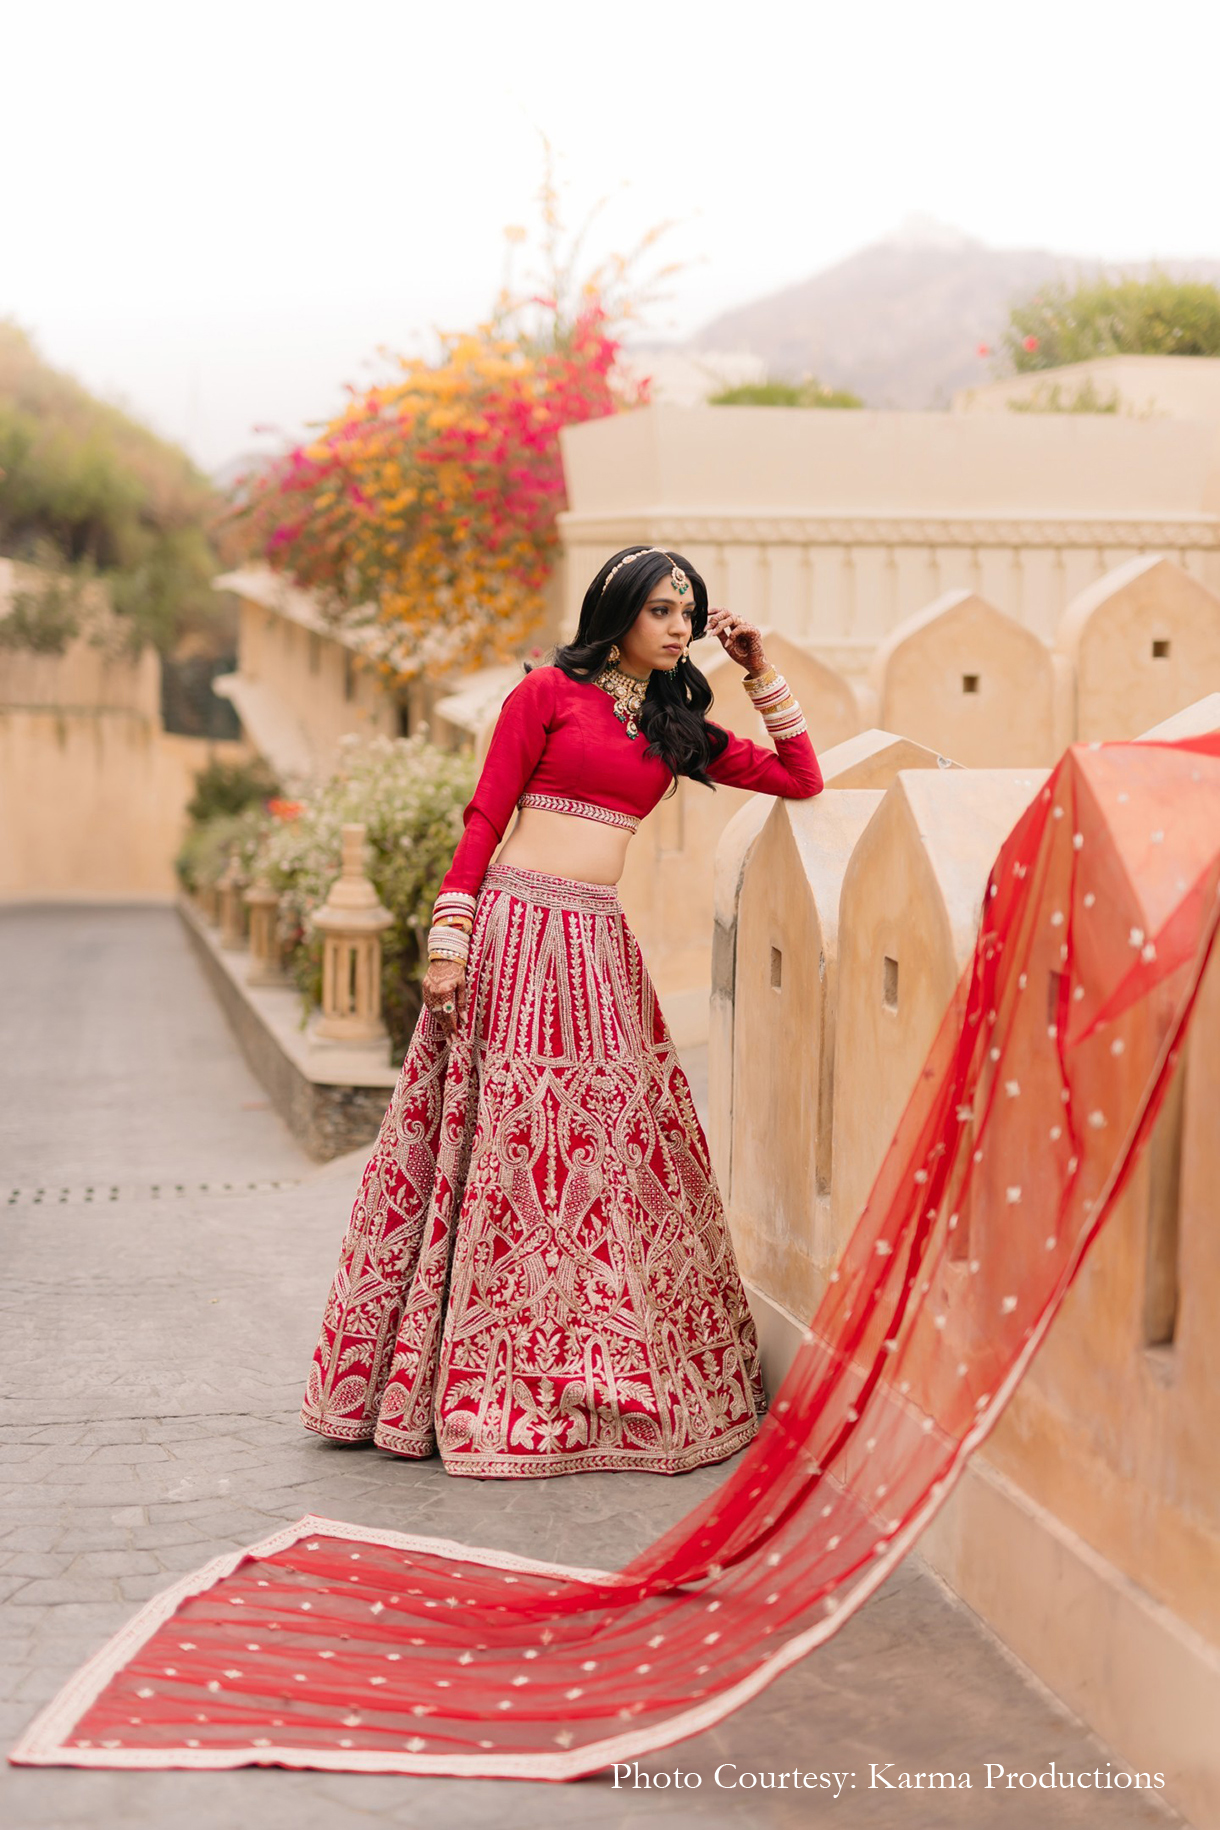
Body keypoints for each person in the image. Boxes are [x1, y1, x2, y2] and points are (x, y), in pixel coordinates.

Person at [301, 546, 824, 1478]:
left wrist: (757, 670)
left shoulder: (675, 726)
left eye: (687, 612)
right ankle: (470, 1381)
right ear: (616, 611)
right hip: (514, 935)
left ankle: (595, 1369)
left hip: (597, 953)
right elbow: (483, 816)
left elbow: (800, 780)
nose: (676, 625)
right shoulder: (545, 695)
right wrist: (450, 935)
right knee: (498, 1156)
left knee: (606, 1164)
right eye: (661, 609)